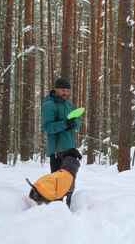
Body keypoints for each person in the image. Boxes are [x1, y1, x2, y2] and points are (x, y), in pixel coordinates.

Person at [41, 77, 82, 207]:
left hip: (69, 147)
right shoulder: (49, 105)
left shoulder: (69, 105)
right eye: (62, 90)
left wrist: (74, 123)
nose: (65, 93)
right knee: (58, 183)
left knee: (69, 180)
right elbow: (47, 127)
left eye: (67, 90)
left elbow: (77, 122)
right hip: (57, 150)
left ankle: (66, 207)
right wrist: (64, 124)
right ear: (56, 89)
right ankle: (56, 210)